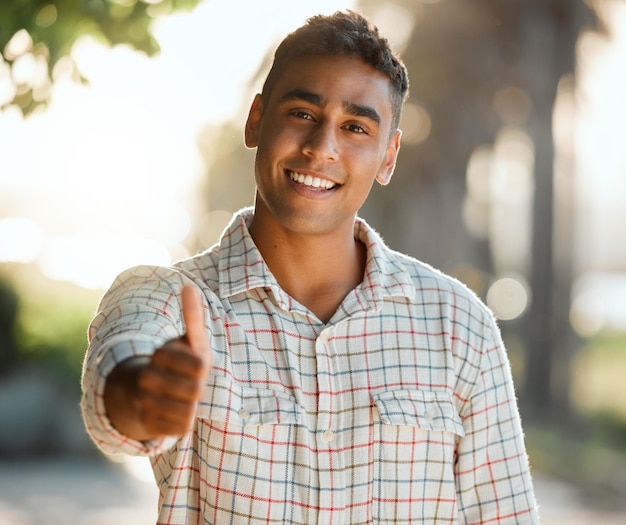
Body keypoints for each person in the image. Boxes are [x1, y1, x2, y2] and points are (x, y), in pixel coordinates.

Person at [81, 10, 538, 524]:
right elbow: (119, 383)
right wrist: (141, 396)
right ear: (257, 119)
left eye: (355, 127)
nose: (322, 147)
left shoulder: (459, 325)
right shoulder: (170, 298)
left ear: (388, 156)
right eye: (302, 113)